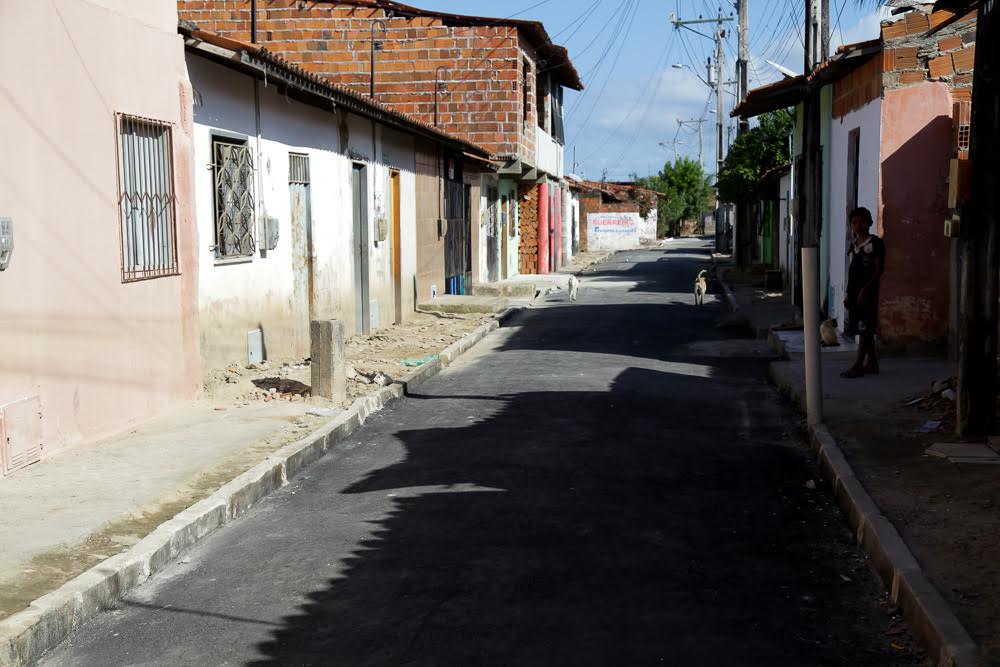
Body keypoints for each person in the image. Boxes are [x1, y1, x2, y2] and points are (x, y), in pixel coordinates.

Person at [841, 207, 884, 378]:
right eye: (854, 223)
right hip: (854, 292)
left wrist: (865, 290)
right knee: (862, 328)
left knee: (865, 328)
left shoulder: (875, 243)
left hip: (868, 293)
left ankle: (858, 365)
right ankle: (872, 364)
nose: (859, 225)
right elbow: (852, 271)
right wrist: (847, 294)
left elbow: (878, 270)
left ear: (870, 223)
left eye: (862, 222)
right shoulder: (854, 244)